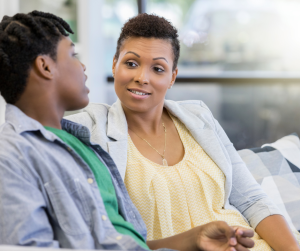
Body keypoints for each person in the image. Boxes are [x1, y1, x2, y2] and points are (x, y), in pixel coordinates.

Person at [0, 11, 255, 251]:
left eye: (157, 68)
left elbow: (126, 242)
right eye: (74, 56)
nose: (84, 67)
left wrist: (194, 238)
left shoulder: (80, 143)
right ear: (46, 67)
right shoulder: (12, 155)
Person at [67, 14, 300, 251]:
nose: (141, 78)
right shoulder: (92, 127)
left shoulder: (199, 117)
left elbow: (252, 200)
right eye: (131, 63)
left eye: (158, 69)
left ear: (172, 78)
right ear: (115, 64)